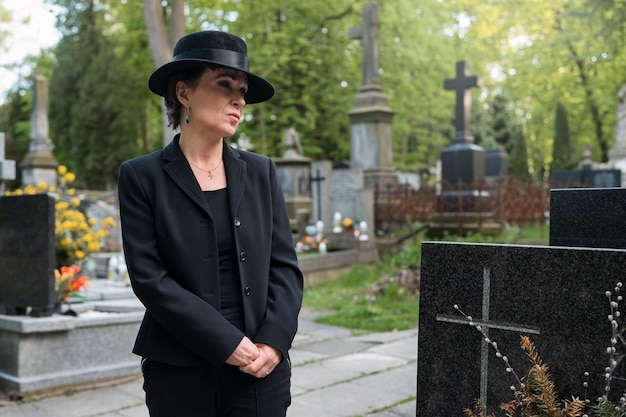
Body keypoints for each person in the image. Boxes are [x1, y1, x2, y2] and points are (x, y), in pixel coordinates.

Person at [117, 30, 304, 417]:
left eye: (243, 89)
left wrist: (273, 342)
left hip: (259, 365)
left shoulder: (261, 171)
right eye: (224, 85)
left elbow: (285, 268)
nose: (239, 99)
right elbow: (150, 277)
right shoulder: (141, 176)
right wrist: (225, 342)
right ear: (184, 93)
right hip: (179, 367)